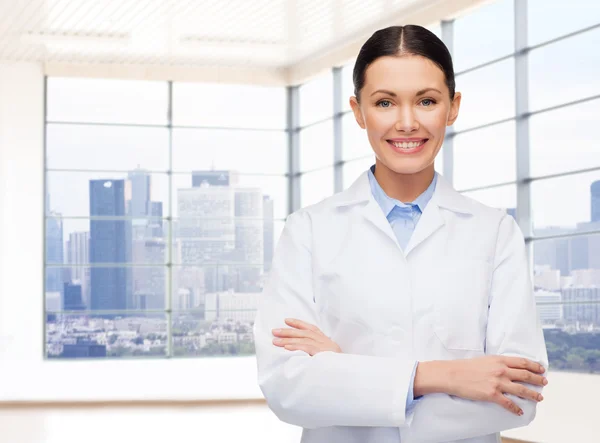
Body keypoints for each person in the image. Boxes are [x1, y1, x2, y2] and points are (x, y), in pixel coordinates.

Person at [253, 24, 548, 443]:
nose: (406, 123)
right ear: (358, 111)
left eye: (426, 101)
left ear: (453, 106)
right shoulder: (309, 231)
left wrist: (344, 374)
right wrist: (440, 376)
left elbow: (521, 396)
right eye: (385, 102)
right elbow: (287, 388)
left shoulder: (495, 233)